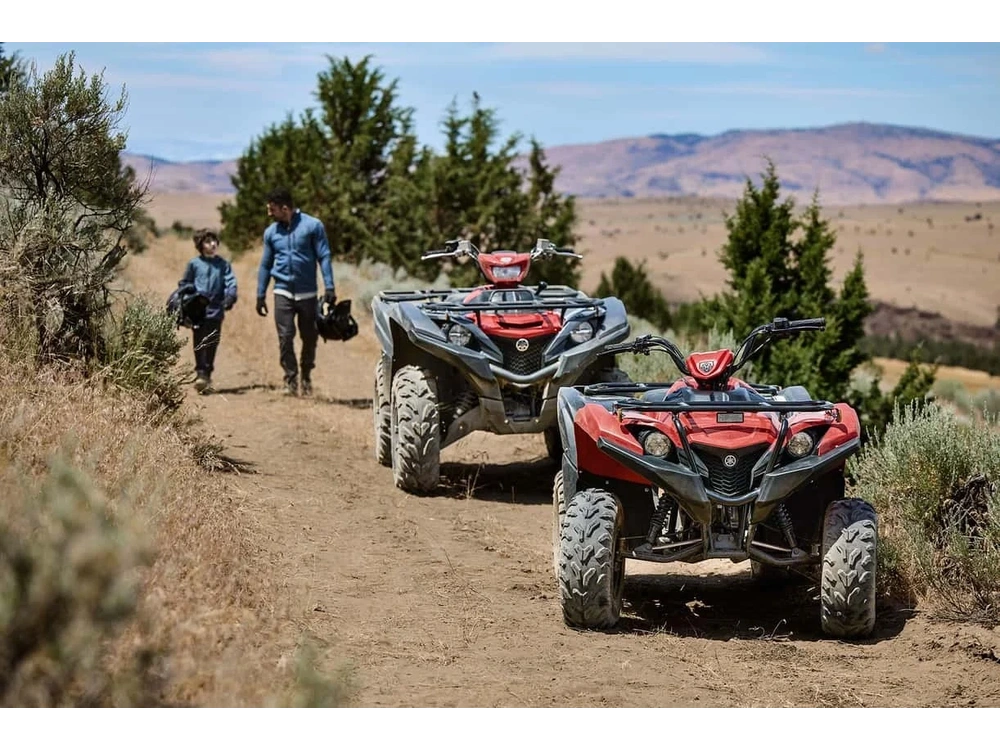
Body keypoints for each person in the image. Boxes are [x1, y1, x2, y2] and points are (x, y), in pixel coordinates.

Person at [256, 187, 336, 397]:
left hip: (308, 293)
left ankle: (306, 376)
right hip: (282, 292)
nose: (269, 214)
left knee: (309, 337)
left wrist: (329, 286)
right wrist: (260, 294)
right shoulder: (271, 233)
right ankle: (290, 380)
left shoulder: (313, 226)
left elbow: (324, 256)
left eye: (272, 209)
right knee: (285, 336)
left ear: (285, 208)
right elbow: (265, 265)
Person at [181, 228, 238, 394]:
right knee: (199, 340)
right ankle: (200, 373)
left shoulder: (223, 264)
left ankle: (207, 373)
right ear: (200, 245)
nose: (212, 244)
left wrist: (230, 297)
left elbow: (231, 283)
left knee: (212, 341)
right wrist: (190, 296)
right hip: (197, 310)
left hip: (216, 309)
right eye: (207, 241)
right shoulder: (194, 264)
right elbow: (185, 283)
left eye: (214, 241)